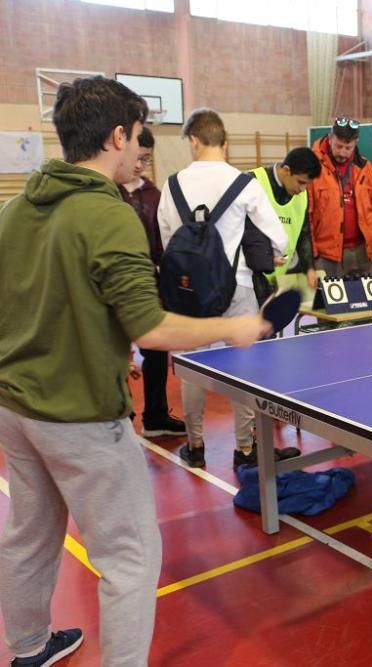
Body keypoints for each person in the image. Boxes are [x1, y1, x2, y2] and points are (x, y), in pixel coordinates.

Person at [0, 75, 271, 667]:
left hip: (14, 408)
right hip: (78, 413)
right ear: (118, 135)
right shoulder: (109, 215)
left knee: (28, 532)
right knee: (130, 555)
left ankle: (26, 647)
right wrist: (233, 328)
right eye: (140, 137)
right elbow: (150, 329)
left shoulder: (16, 208)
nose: (142, 150)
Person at [158, 108, 292, 470]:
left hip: (191, 294)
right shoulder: (244, 182)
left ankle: (196, 444)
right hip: (238, 288)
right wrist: (275, 255)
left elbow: (169, 240)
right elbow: (277, 236)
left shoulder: (172, 185)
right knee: (244, 368)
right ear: (225, 141)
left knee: (191, 368)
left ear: (193, 140)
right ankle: (245, 448)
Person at [117, 126, 186, 438]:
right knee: (114, 352)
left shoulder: (155, 195)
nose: (139, 164)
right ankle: (121, 415)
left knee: (156, 351)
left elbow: (162, 245)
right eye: (136, 157)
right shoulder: (106, 191)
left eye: (145, 159)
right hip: (110, 287)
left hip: (147, 284)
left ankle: (155, 415)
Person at [308, 117, 372, 278]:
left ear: (356, 142)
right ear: (330, 138)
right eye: (338, 146)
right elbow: (307, 214)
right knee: (328, 303)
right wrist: (312, 252)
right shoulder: (313, 168)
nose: (343, 152)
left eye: (348, 147)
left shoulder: (365, 167)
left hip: (364, 252)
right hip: (326, 255)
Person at [247, 146, 323, 302]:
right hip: (248, 281)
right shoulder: (252, 183)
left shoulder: (302, 195)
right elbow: (237, 235)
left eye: (307, 184)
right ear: (286, 170)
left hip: (277, 280)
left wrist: (309, 268)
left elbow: (304, 233)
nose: (303, 189)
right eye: (301, 182)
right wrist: (264, 259)